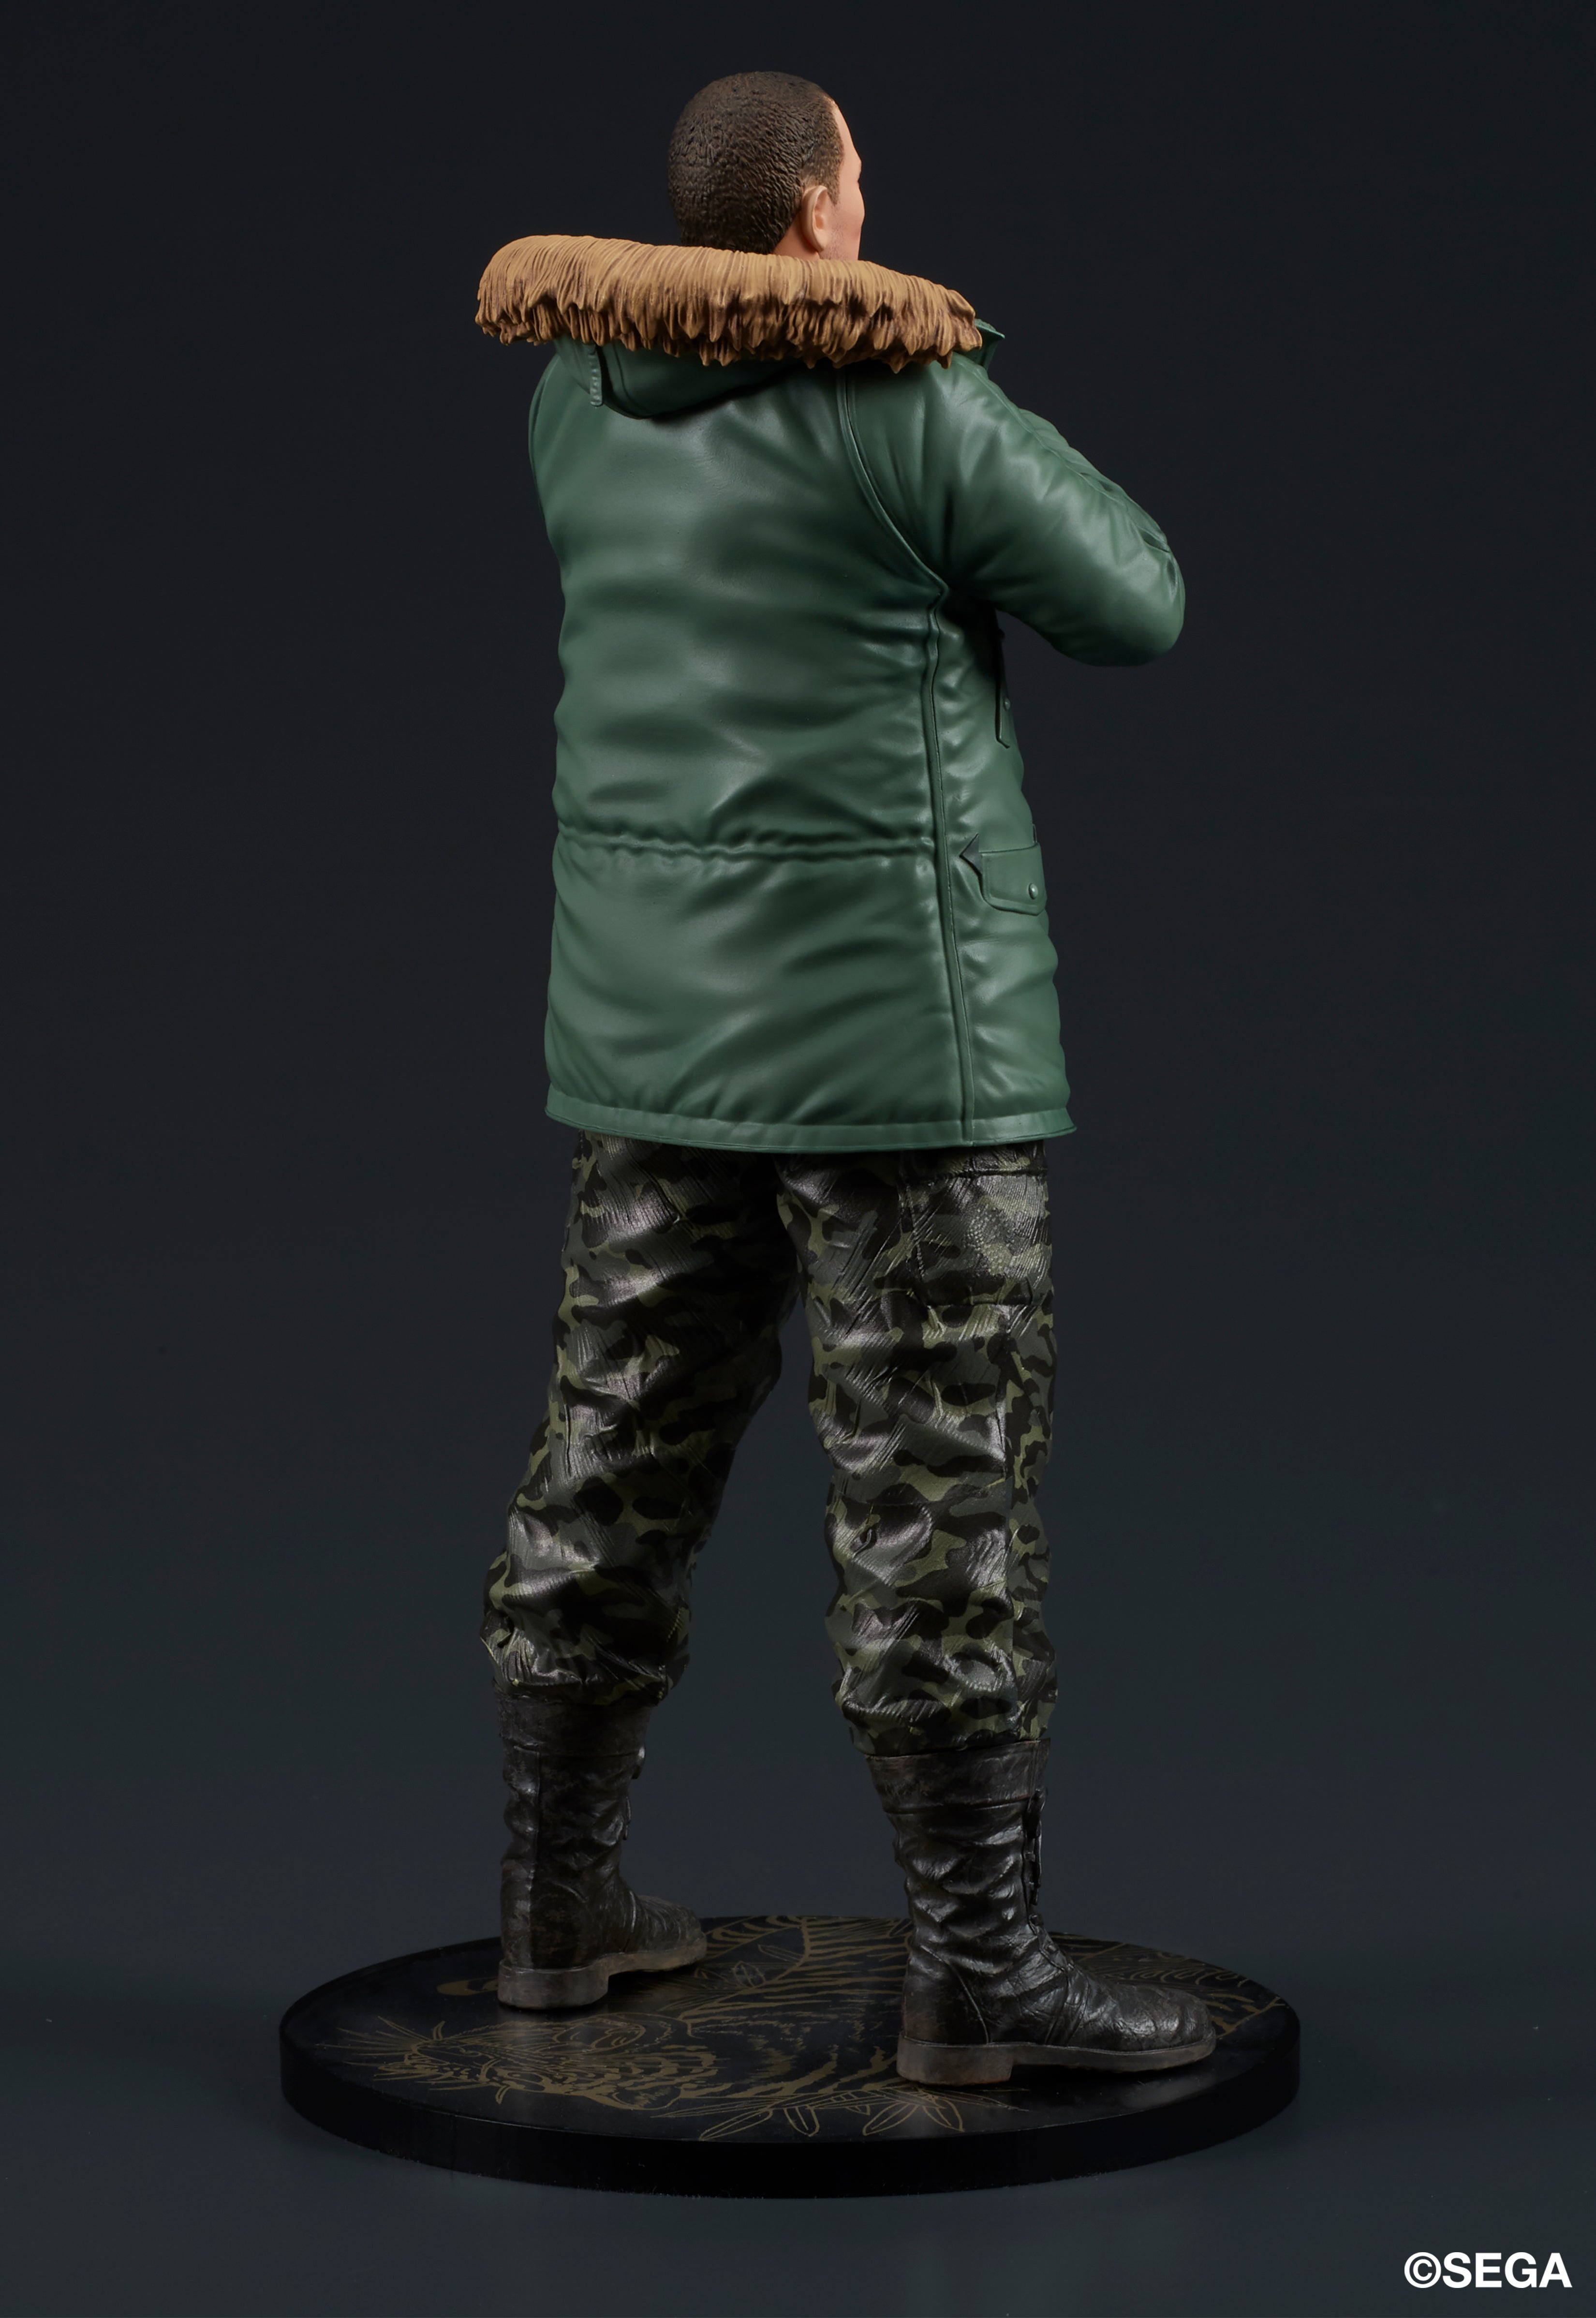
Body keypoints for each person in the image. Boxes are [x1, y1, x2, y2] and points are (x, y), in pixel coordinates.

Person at [474, 70, 1212, 2085]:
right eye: (860, 183)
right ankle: (977, 1970)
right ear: (817, 214)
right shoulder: (914, 403)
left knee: (611, 1455)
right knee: (934, 1505)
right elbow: (1136, 596)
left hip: (651, 1043)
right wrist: (957, 379)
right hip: (902, 1054)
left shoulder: (576, 403)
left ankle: (553, 1907)